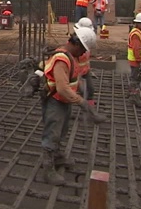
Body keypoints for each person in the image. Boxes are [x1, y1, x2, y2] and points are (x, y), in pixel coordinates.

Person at [40, 26, 104, 185]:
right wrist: (82, 102)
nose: (83, 54)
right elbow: (62, 88)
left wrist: (80, 90)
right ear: (76, 44)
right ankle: (48, 170)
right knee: (52, 133)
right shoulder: (62, 58)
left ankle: (58, 157)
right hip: (55, 100)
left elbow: (72, 79)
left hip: (65, 101)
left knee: (62, 130)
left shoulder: (71, 56)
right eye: (83, 49)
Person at [73, 17, 108, 122]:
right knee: (77, 93)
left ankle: (90, 111)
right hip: (76, 73)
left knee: (90, 90)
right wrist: (77, 80)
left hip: (85, 71)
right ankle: (87, 113)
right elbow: (74, 62)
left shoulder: (85, 41)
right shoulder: (75, 44)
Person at [127, 13, 141, 108]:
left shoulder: (140, 32)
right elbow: (136, 49)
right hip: (137, 61)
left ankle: (132, 95)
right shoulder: (136, 34)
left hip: (138, 61)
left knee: (136, 79)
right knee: (135, 80)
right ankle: (134, 98)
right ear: (137, 23)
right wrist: (140, 62)